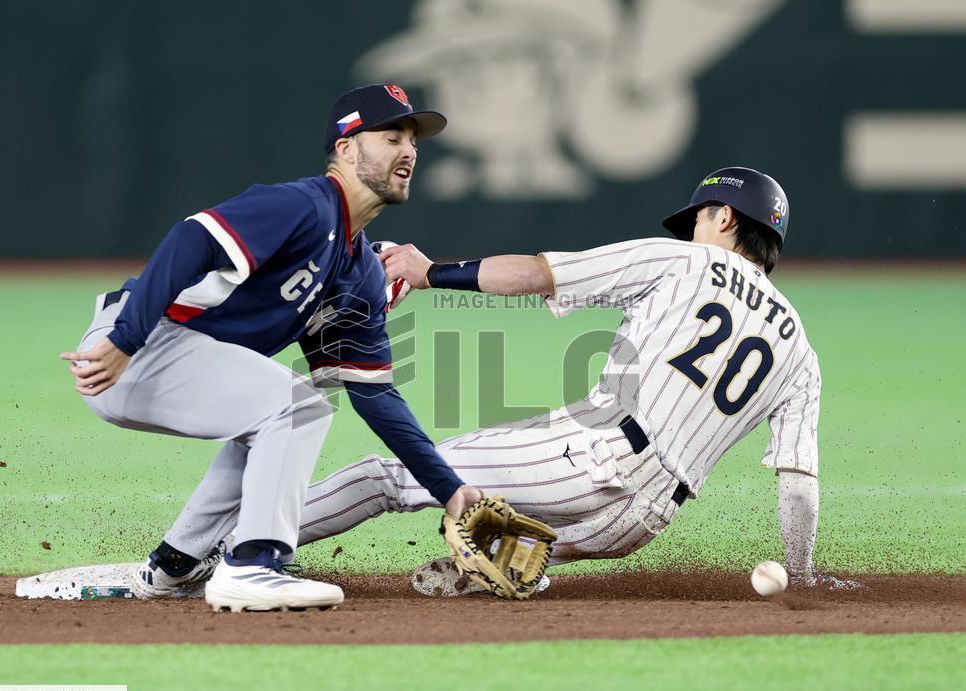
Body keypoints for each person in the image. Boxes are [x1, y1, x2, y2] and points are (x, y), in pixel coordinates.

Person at [292, 167, 852, 594]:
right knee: (493, 549)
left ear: (725, 218)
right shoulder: (800, 350)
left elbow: (540, 274)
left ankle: (235, 548)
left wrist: (431, 271)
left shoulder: (683, 263)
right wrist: (800, 575)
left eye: (699, 219)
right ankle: (516, 561)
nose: (692, 232)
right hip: (639, 524)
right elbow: (798, 480)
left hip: (593, 458)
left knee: (388, 476)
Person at [60, 84, 483, 612]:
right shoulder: (303, 205)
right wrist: (125, 340)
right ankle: (254, 564)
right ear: (347, 148)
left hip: (172, 354)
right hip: (137, 346)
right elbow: (189, 240)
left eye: (414, 141)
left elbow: (375, 396)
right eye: (391, 135)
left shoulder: (359, 273)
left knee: (280, 412)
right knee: (296, 404)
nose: (409, 151)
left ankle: (175, 566)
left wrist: (449, 489)